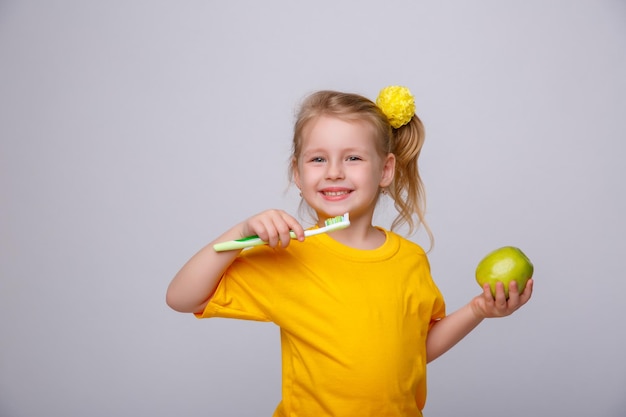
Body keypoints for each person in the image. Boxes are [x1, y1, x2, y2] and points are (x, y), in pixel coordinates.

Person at [166, 86, 533, 417]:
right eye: (318, 159)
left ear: (385, 169)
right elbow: (180, 297)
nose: (334, 172)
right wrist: (242, 232)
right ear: (297, 173)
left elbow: (413, 352)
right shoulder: (288, 254)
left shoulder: (410, 259)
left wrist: (477, 310)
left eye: (353, 158)